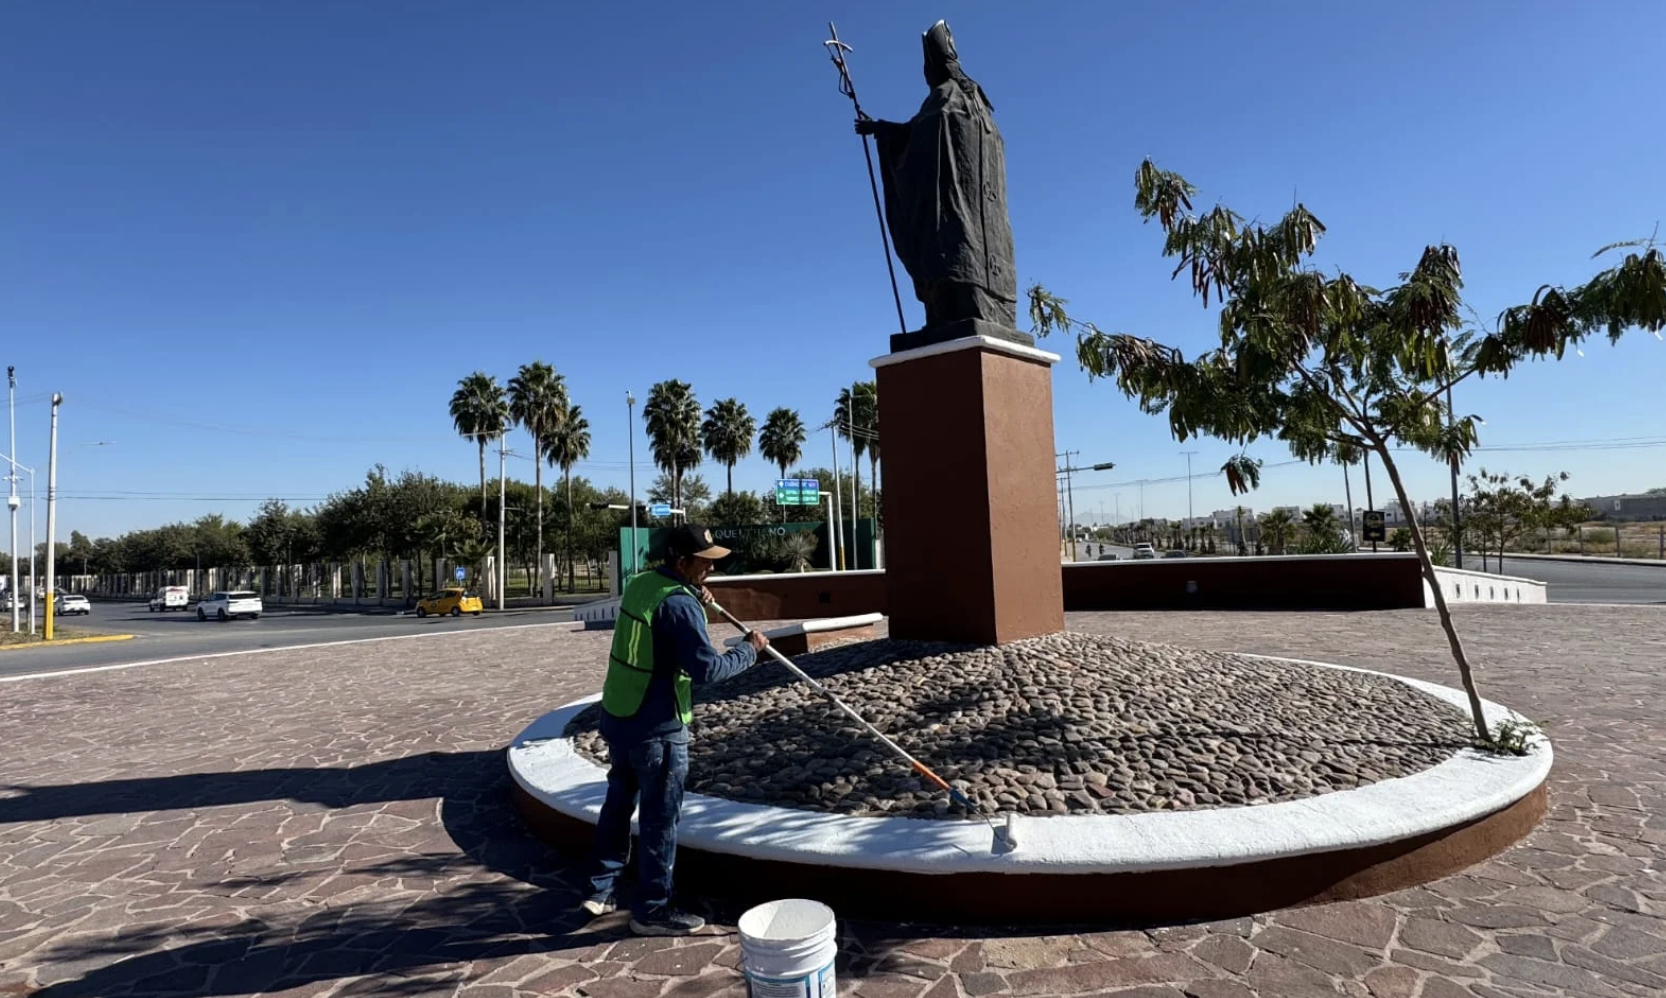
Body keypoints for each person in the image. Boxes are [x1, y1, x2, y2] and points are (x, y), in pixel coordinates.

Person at [582, 523, 769, 936]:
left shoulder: (642, 583)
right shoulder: (680, 605)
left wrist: (695, 597)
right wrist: (748, 650)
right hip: (659, 730)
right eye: (704, 565)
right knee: (659, 819)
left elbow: (664, 624)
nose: (711, 572)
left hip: (620, 718)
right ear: (682, 562)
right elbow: (706, 669)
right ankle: (652, 911)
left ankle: (601, 889)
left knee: (617, 803)